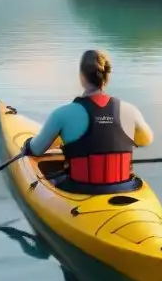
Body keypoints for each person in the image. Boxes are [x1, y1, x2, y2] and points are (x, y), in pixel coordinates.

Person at [21, 49, 153, 192]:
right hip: (125, 187)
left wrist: (27, 145)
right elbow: (146, 141)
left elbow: (36, 149)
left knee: (51, 178)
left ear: (81, 77)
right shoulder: (130, 111)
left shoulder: (62, 114)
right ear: (106, 77)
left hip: (79, 190)